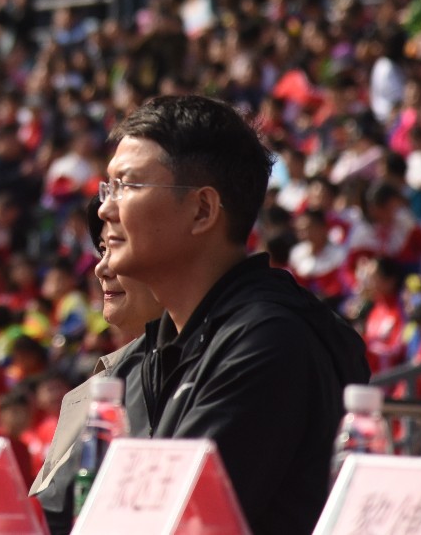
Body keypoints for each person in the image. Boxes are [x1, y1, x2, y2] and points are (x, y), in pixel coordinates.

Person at [96, 95, 369, 535]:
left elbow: (175, 519)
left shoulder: (268, 342)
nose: (106, 208)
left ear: (203, 210)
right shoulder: (156, 350)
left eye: (127, 185)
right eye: (107, 188)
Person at [31, 236, 163, 535]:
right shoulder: (93, 388)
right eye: (102, 251)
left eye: (118, 248)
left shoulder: (184, 374)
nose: (101, 269)